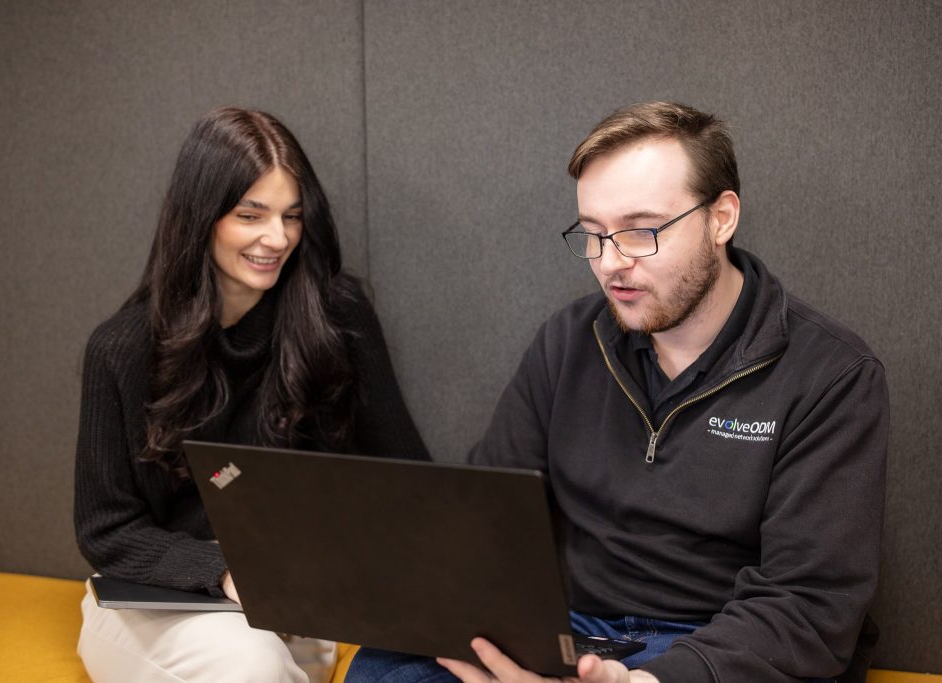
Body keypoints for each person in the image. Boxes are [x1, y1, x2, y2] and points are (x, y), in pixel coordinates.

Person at [346, 102, 888, 682]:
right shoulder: (569, 342)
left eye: (639, 232)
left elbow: (809, 607)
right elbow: (488, 514)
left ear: (721, 218)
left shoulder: (831, 375)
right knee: (380, 671)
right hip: (578, 628)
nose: (609, 263)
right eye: (593, 234)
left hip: (717, 642)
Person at [74, 107, 429, 683]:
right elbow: (105, 531)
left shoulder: (336, 315)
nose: (278, 238)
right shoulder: (121, 350)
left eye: (292, 216)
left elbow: (407, 479)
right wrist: (225, 570)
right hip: (154, 595)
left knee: (290, 657)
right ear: (201, 218)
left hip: (287, 591)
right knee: (253, 666)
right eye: (250, 215)